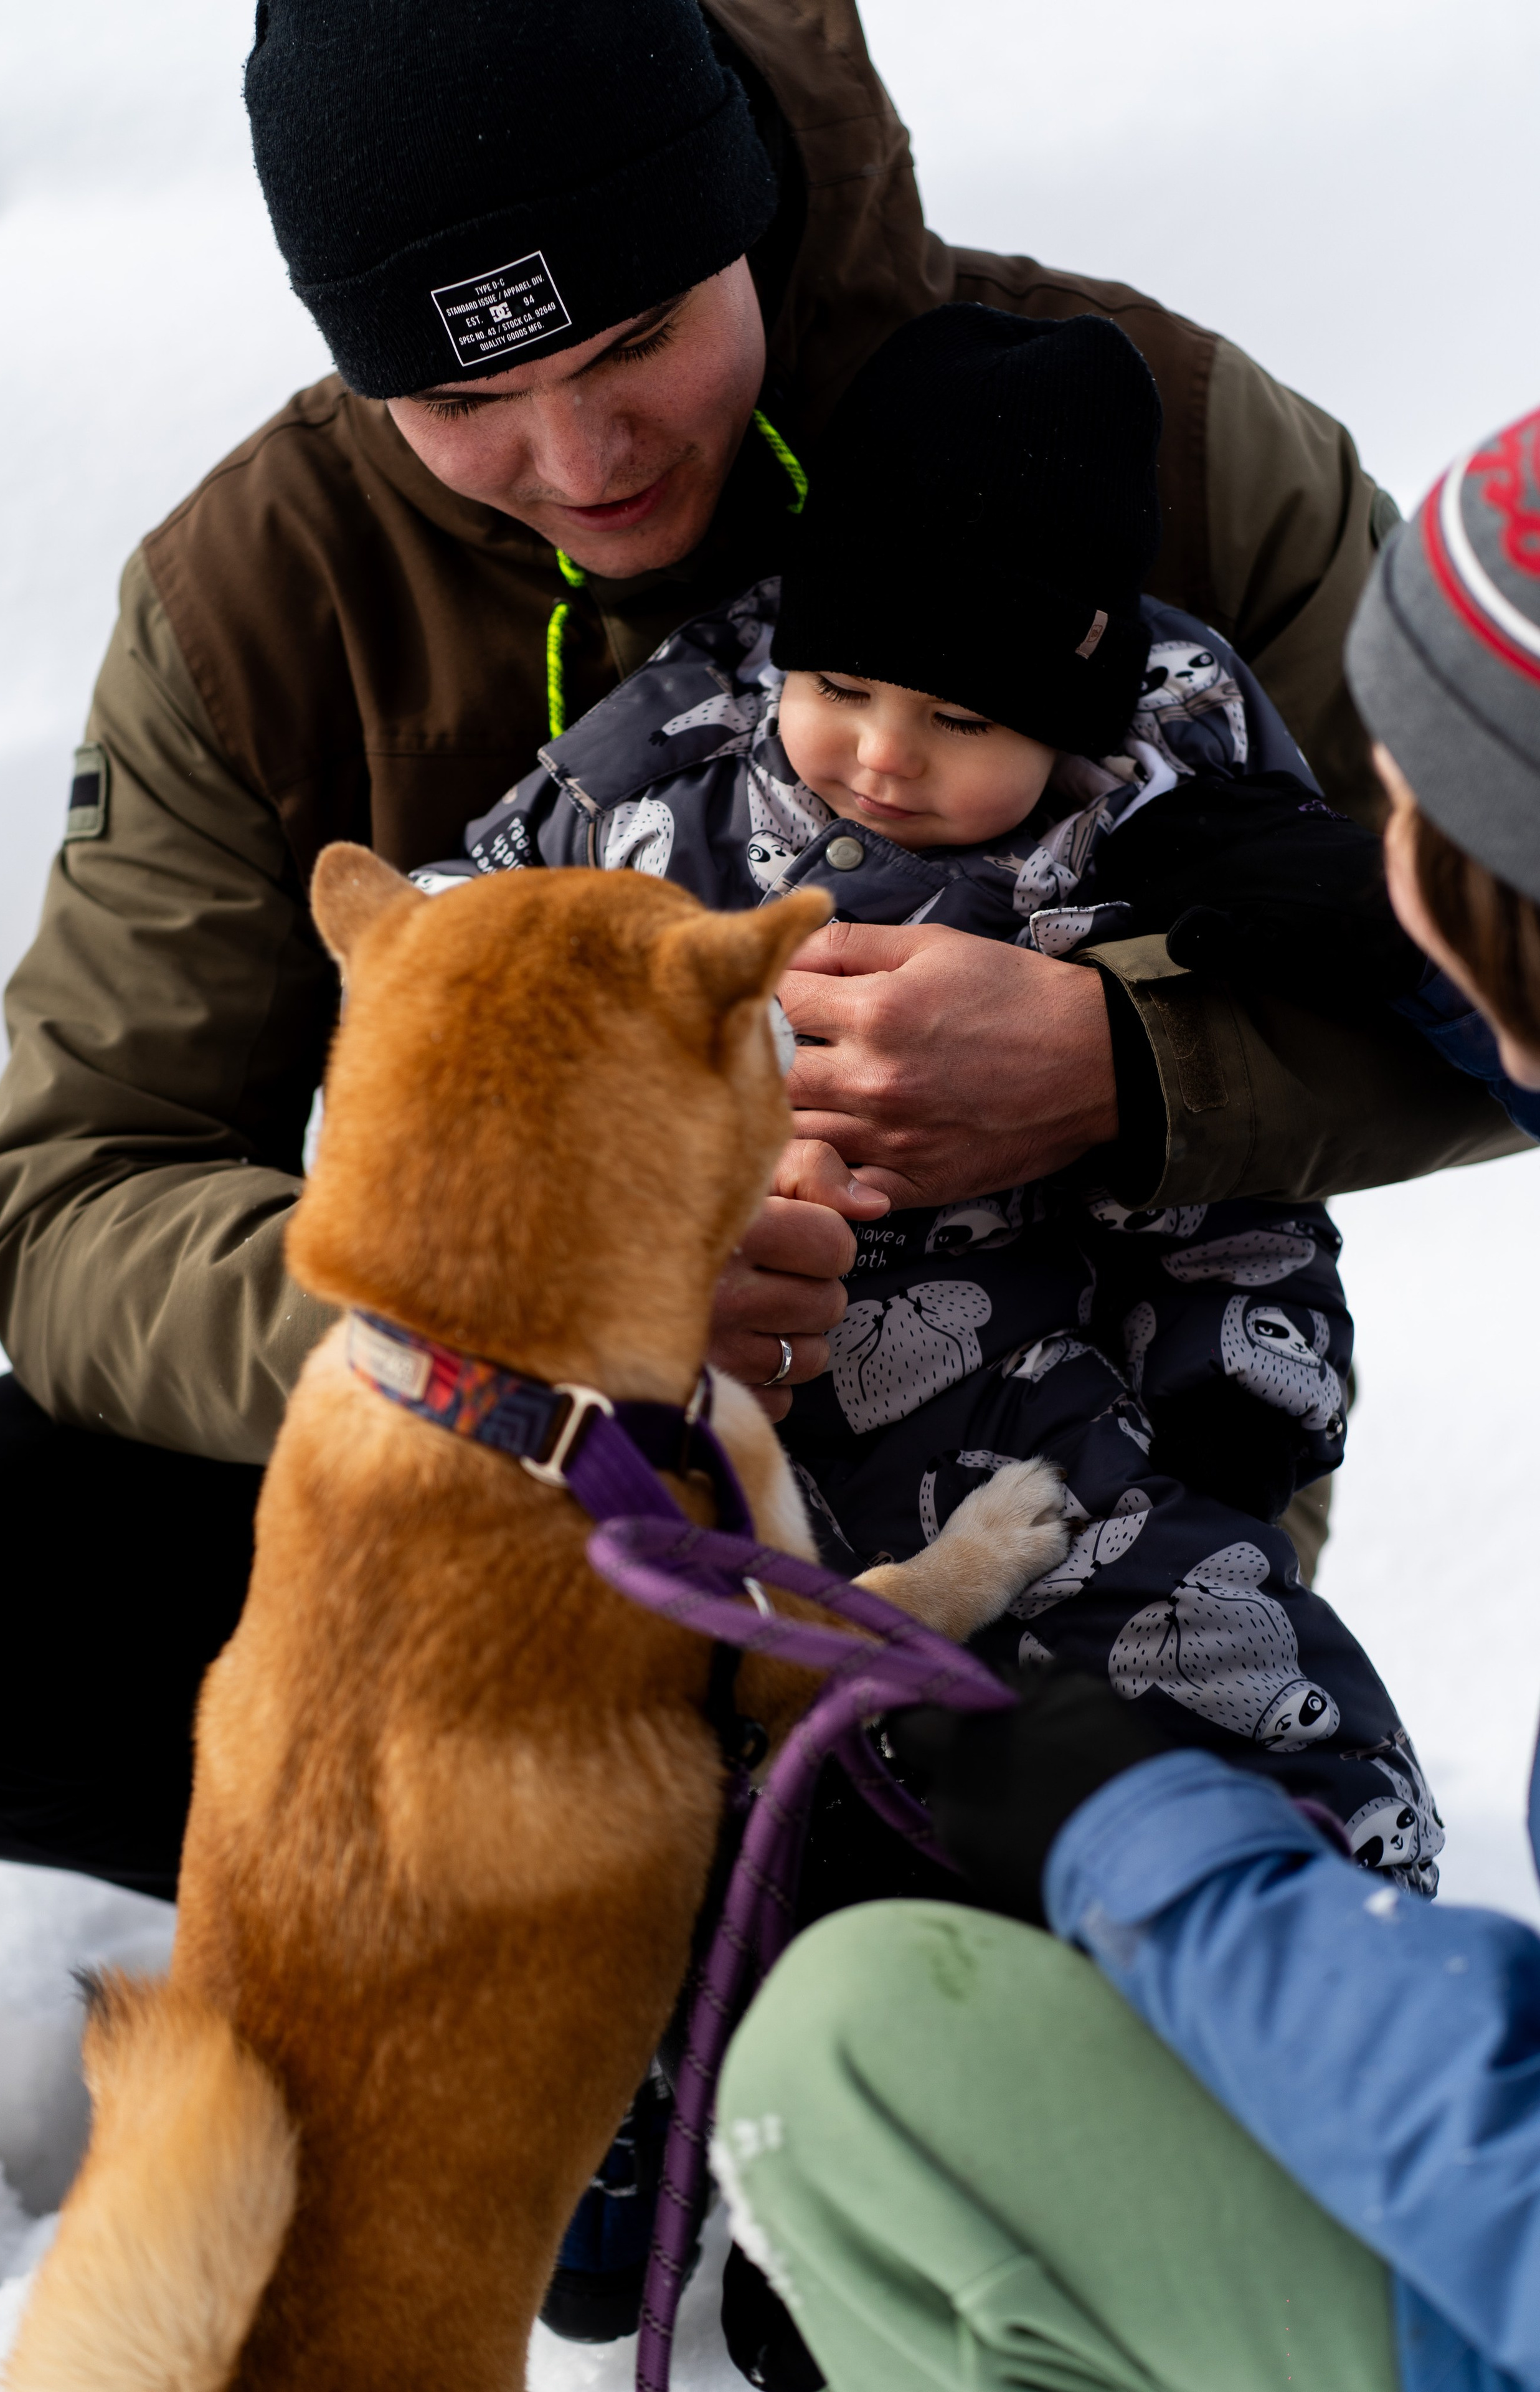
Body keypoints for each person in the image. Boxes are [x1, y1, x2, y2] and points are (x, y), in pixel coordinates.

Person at [0, 0, 1519, 1917]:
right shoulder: (260, 595)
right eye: (463, 406)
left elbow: (1508, 936)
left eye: (638, 342)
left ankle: (923, 1925)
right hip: (510, 1492)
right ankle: (524, 1926)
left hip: (1059, 1449)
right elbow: (82, 1194)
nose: (580, 457)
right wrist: (512, 1334)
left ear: (748, 211)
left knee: (1054, 1912)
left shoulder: (1144, 434)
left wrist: (1130, 1070)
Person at [714, 399, 1540, 2392]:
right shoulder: (676, 789)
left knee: (858, 2049)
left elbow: (1250, 1254)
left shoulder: (1141, 825)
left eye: (1411, 817)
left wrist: (1166, 1857)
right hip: (800, 1488)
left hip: (1107, 1508)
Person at [420, 302, 1444, 1883]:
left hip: (1026, 1388)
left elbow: (1239, 1195)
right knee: (628, 1752)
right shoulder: (678, 752)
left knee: (1211, 1664)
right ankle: (645, 2069)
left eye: (963, 721)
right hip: (700, 1402)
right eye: (841, 682)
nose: (881, 755)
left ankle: (1315, 1969)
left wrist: (1244, 1383)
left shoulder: (1159, 820)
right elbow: (475, 919)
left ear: (1078, 709)